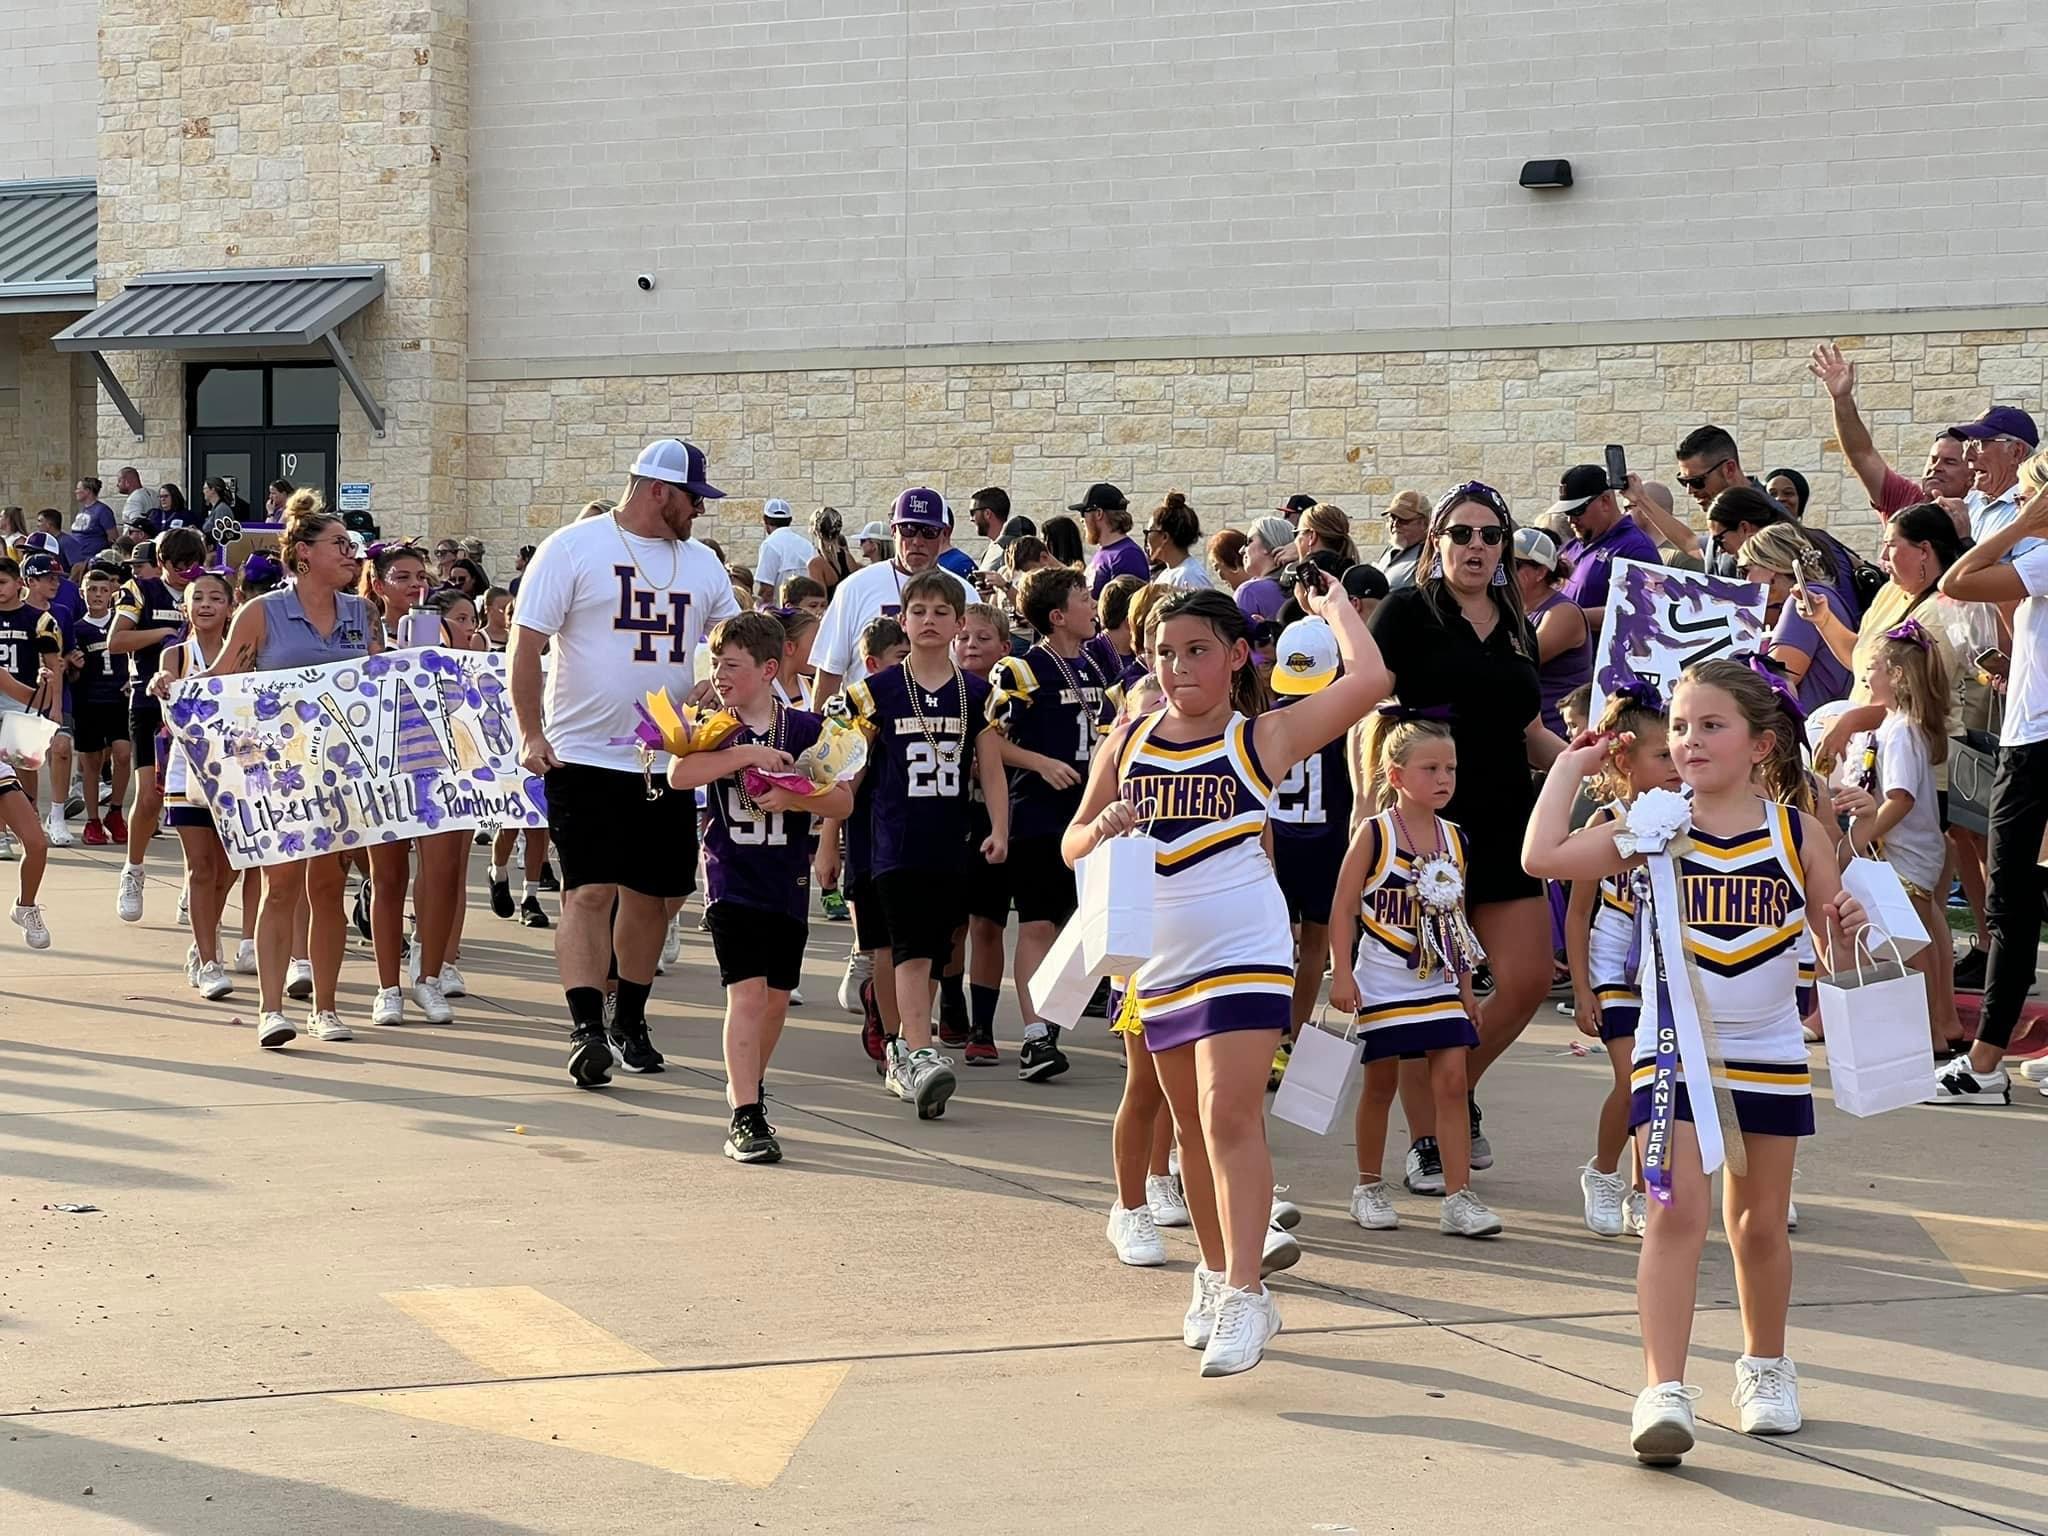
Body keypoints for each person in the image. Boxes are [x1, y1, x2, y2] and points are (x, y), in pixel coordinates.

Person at [1524, 659, 1863, 1465]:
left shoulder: (1797, 833)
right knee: (1674, 1213)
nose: (1690, 740)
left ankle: (1766, 1367)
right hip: (1671, 1050)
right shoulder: (1652, 821)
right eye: (1680, 727)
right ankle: (1663, 1389)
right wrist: (1570, 768)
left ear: (1760, 744)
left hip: (1768, 1050)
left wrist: (1847, 925)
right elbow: (1543, 859)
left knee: (1758, 1223)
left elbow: (1835, 959)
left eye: (1712, 725)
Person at [1061, 583, 1389, 1378]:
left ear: (1239, 655)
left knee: (1228, 1113)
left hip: (1245, 944)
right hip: (1159, 957)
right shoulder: (1127, 741)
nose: (1179, 667)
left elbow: (1372, 681)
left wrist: (1337, 608)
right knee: (1190, 1132)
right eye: (1164, 653)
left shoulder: (1263, 736)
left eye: (1197, 651)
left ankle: (1248, 1290)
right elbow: (1070, 844)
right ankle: (1215, 1274)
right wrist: (1098, 828)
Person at [511, 439, 741, 1088]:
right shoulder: (572, 547)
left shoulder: (702, 563)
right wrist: (530, 733)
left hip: (666, 757)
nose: (700, 510)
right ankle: (586, 1028)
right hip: (582, 754)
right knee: (588, 891)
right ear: (658, 490)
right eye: (694, 497)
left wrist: (720, 679)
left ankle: (630, 1018)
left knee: (653, 897)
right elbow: (526, 646)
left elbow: (735, 640)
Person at [1368, 482, 1565, 1180]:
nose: (1476, 546)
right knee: (1427, 989)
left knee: (1527, 979)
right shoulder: (1406, 611)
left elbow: (1530, 731)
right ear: (1436, 542)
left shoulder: (1516, 622)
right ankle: (1429, 1140)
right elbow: (1368, 708)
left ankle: (1457, 1087)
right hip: (1429, 826)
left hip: (1508, 817)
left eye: (1490, 535)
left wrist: (1593, 765)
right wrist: (1370, 812)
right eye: (1461, 533)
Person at [668, 612, 851, 1163]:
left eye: (732, 665)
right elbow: (679, 775)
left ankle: (748, 1085)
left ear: (769, 669)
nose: (719, 675)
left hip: (786, 878)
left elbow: (843, 801)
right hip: (732, 875)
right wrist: (746, 754)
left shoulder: (806, 728)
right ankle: (745, 1114)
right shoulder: (712, 725)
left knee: (774, 1000)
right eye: (716, 664)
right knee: (746, 994)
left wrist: (796, 796)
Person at [835, 571, 1008, 1118]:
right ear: (903, 621)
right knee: (909, 949)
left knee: (936, 952)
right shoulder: (875, 691)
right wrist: (826, 837)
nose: (929, 620)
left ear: (959, 623)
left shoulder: (978, 694)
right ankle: (917, 1050)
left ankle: (904, 1054)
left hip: (950, 842)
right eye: (919, 611)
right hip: (894, 841)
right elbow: (847, 772)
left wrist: (999, 828)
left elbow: (992, 769)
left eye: (940, 611)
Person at [1796, 503, 1993, 982]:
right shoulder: (1889, 593)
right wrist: (1823, 620)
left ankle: (1937, 1001)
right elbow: (1863, 663)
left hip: (1922, 761)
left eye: (1891, 546)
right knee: (1907, 903)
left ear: (1924, 551)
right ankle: (1931, 1000)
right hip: (1875, 755)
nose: (1882, 557)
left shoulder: (1948, 606)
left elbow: (1921, 695)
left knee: (1919, 899)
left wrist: (1851, 721)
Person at [206, 492, 374, 1048]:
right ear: (303, 553)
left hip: (343, 772)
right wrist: (170, 685)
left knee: (328, 888)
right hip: (279, 775)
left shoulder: (362, 613)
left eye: (352, 545)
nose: (351, 554)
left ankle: (325, 1008)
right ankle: (271, 1009)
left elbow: (379, 686)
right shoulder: (262, 612)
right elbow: (219, 680)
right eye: (339, 544)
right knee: (280, 887)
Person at [1329, 709, 1500, 1238]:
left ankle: (1458, 1196)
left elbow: (1458, 917)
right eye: (1431, 769)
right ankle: (1367, 1187)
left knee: (1451, 1082)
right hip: (1383, 979)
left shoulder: (1455, 838)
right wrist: (1341, 973)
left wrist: (1467, 988)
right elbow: (1343, 907)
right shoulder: (1375, 833)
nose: (1444, 779)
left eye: (1451, 768)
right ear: (1397, 775)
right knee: (1380, 1084)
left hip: (1442, 982)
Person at [1929, 457, 2048, 1106]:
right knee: (2021, 900)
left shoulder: (2042, 556)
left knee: (2010, 903)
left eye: (2027, 497)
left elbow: (1956, 579)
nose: (2017, 508)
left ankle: (1984, 1064)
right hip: (2030, 739)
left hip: (2036, 749)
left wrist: (2018, 528)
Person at [987, 566, 1113, 1081]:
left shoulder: (1096, 665)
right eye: (1083, 596)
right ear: (1058, 615)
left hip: (1091, 817)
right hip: (1039, 814)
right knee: (1038, 923)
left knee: (1084, 927)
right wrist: (1039, 762)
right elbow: (989, 741)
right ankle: (1035, 1036)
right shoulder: (1021, 669)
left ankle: (1058, 1018)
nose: (1092, 603)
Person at [1565, 686, 1680, 1239]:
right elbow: (1577, 913)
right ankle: (1604, 1172)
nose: (1675, 764)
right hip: (1615, 965)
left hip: (1667, 965)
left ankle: (1642, 1187)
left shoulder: (1688, 820)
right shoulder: (1605, 822)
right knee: (1631, 1075)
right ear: (1624, 761)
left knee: (1660, 1079)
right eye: (1662, 755)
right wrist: (1581, 989)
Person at [1832, 623, 1961, 1057]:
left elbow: (1900, 798)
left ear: (1897, 675)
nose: (1866, 676)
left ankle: (1931, 1032)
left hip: (1907, 854)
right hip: (1901, 851)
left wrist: (1859, 838)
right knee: (1914, 941)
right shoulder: (1892, 725)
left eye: (1873, 668)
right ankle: (1935, 1025)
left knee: (1912, 947)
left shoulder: (1903, 729)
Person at [811, 616, 911, 1065]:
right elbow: (838, 781)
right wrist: (828, 843)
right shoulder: (852, 708)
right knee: (883, 943)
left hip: (916, 834)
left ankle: (907, 1027)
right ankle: (892, 1033)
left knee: (915, 944)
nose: (907, 666)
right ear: (872, 663)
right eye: (899, 658)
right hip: (869, 834)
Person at [1265, 616, 1355, 1091]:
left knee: (1275, 946)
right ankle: (1293, 1036)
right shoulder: (1343, 723)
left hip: (1277, 844)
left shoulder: (1266, 721)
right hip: (1326, 844)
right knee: (1315, 945)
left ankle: (1274, 1034)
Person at [107, 529, 208, 924]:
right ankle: (133, 870)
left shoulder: (206, 591)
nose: (185, 571)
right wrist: (164, 634)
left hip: (199, 708)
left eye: (192, 563)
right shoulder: (140, 591)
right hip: (149, 702)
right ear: (162, 561)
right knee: (149, 797)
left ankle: (192, 885)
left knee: (195, 803)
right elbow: (116, 640)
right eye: (178, 564)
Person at [152, 572, 239, 1001]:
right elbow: (165, 692)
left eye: (215, 598)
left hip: (238, 772)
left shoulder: (245, 651)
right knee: (201, 868)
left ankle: (206, 935)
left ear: (230, 606)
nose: (206, 604)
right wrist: (160, 683)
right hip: (188, 771)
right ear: (185, 607)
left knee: (229, 868)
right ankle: (208, 961)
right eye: (198, 598)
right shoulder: (176, 654)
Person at [808, 488, 969, 702]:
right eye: (908, 529)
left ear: (945, 535)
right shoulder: (855, 588)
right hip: (869, 719)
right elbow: (829, 670)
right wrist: (820, 723)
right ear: (893, 530)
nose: (917, 541)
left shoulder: (965, 593)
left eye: (928, 531)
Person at [1808, 342, 1974, 519]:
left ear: (1972, 476)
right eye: (1933, 460)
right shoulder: (1905, 499)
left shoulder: (1983, 516)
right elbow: (1861, 455)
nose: (1935, 468)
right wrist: (1841, 399)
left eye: (1950, 462)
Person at [1735, 522, 1853, 712]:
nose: (1745, 580)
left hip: (1813, 721)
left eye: (1745, 570)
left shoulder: (1803, 601)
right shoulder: (1820, 596)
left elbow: (1774, 681)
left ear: (1771, 566)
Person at [1550, 465, 1661, 632]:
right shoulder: (1573, 546)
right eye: (1567, 512)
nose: (1571, 520)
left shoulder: (1635, 547)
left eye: (1577, 510)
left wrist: (1568, 618)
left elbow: (1645, 612)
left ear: (1605, 501)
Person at [16, 554, 78, 848]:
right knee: (25, 759)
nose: (55, 583)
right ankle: (30, 813)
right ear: (30, 581)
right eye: (48, 578)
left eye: (57, 578)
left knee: (62, 748)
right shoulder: (16, 612)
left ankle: (58, 814)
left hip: (57, 691)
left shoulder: (62, 613)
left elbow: (69, 651)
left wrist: (70, 661)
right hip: (25, 694)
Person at [71, 564, 131, 848]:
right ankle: (93, 820)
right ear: (82, 593)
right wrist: (74, 667)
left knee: (123, 754)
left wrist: (132, 678)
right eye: (92, 590)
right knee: (92, 763)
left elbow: (135, 655)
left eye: (103, 590)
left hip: (118, 699)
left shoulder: (122, 624)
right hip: (89, 701)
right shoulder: (77, 629)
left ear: (112, 593)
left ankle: (116, 811)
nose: (97, 595)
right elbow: (71, 674)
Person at [1511, 528, 1591, 736]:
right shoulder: (1513, 609)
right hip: (1528, 728)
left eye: (1514, 564)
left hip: (1557, 733)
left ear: (1541, 572)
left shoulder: (1563, 613)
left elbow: (1518, 661)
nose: (1503, 569)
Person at [1950, 405, 2039, 545]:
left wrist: (1964, 539)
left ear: (2016, 452)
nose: (1966, 456)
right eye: (1967, 444)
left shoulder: (2034, 512)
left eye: (1978, 444)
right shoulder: (1971, 501)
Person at [1075, 483, 1148, 595]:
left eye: (1084, 512)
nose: (1082, 520)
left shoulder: (1127, 555)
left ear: (1099, 513)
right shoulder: (1105, 552)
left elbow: (1132, 603)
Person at [1144, 491, 1215, 590]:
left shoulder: (1191, 577)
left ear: (1165, 537)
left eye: (1149, 531)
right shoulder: (1166, 574)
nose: (1147, 538)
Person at [1234, 518, 1295, 631]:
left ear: (1268, 545)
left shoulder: (1249, 592)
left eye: (1248, 542)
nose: (1241, 550)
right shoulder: (1303, 587)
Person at [753, 499, 817, 605]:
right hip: (806, 609)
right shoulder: (806, 544)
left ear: (765, 520)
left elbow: (767, 590)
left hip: (782, 610)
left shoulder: (769, 544)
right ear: (790, 520)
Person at [1374, 489, 1429, 590]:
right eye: (1392, 518)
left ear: (1424, 523)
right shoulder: (1391, 550)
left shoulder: (1428, 557)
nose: (1395, 524)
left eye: (1403, 520)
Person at [63, 478, 118, 571]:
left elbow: (113, 537)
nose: (76, 491)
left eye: (78, 489)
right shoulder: (83, 510)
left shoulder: (103, 511)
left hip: (89, 559)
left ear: (87, 491)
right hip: (75, 557)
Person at [1293, 503, 1358, 567]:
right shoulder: (1353, 570)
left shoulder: (1309, 572)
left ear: (1312, 536)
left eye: (1297, 533)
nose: (1295, 541)